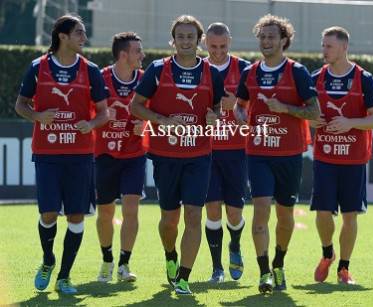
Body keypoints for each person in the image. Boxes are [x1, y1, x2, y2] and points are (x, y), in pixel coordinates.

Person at [15, 14, 108, 294]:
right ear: (62, 37)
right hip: (47, 153)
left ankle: (65, 276)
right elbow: (20, 105)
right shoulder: (37, 67)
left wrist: (90, 124)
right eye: (79, 33)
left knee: (76, 217)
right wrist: (37, 116)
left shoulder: (90, 70)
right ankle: (48, 261)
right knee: (49, 213)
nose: (84, 38)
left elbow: (104, 113)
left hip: (80, 155)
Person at [131, 15, 224, 295]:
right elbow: (136, 107)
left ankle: (183, 277)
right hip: (165, 155)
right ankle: (170, 255)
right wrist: (162, 120)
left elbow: (216, 111)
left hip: (199, 155)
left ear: (199, 41)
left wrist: (213, 117)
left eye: (191, 37)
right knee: (169, 220)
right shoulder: (158, 70)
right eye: (181, 36)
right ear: (174, 40)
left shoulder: (212, 73)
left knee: (194, 215)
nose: (186, 41)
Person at [234, 14, 320, 293]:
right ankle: (263, 273)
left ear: (284, 41)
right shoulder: (250, 73)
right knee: (260, 210)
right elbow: (240, 105)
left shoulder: (297, 72)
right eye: (262, 36)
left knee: (284, 215)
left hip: (290, 154)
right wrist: (241, 117)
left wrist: (286, 109)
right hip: (258, 153)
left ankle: (279, 263)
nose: (266, 41)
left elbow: (314, 112)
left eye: (271, 36)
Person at [310, 26, 373, 285]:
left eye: (328, 46)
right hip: (325, 158)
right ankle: (327, 252)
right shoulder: (315, 77)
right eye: (323, 45)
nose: (324, 50)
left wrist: (350, 122)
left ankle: (343, 268)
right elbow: (304, 113)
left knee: (350, 216)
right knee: (322, 213)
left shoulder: (364, 78)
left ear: (343, 47)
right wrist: (311, 120)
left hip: (353, 160)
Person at [95, 32, 146, 283]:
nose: (143, 55)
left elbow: (157, 111)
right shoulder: (100, 78)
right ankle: (107, 260)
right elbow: (87, 110)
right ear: (124, 54)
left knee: (131, 208)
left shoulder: (146, 79)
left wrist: (145, 125)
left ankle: (125, 264)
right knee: (105, 212)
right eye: (138, 51)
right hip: (105, 154)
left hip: (134, 154)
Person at [203, 22, 250, 283]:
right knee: (212, 209)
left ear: (229, 41)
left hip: (236, 152)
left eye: (222, 46)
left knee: (234, 212)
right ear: (204, 44)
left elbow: (255, 113)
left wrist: (236, 108)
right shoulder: (197, 69)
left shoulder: (245, 70)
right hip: (206, 152)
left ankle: (235, 245)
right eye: (212, 46)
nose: (218, 52)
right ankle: (216, 267)